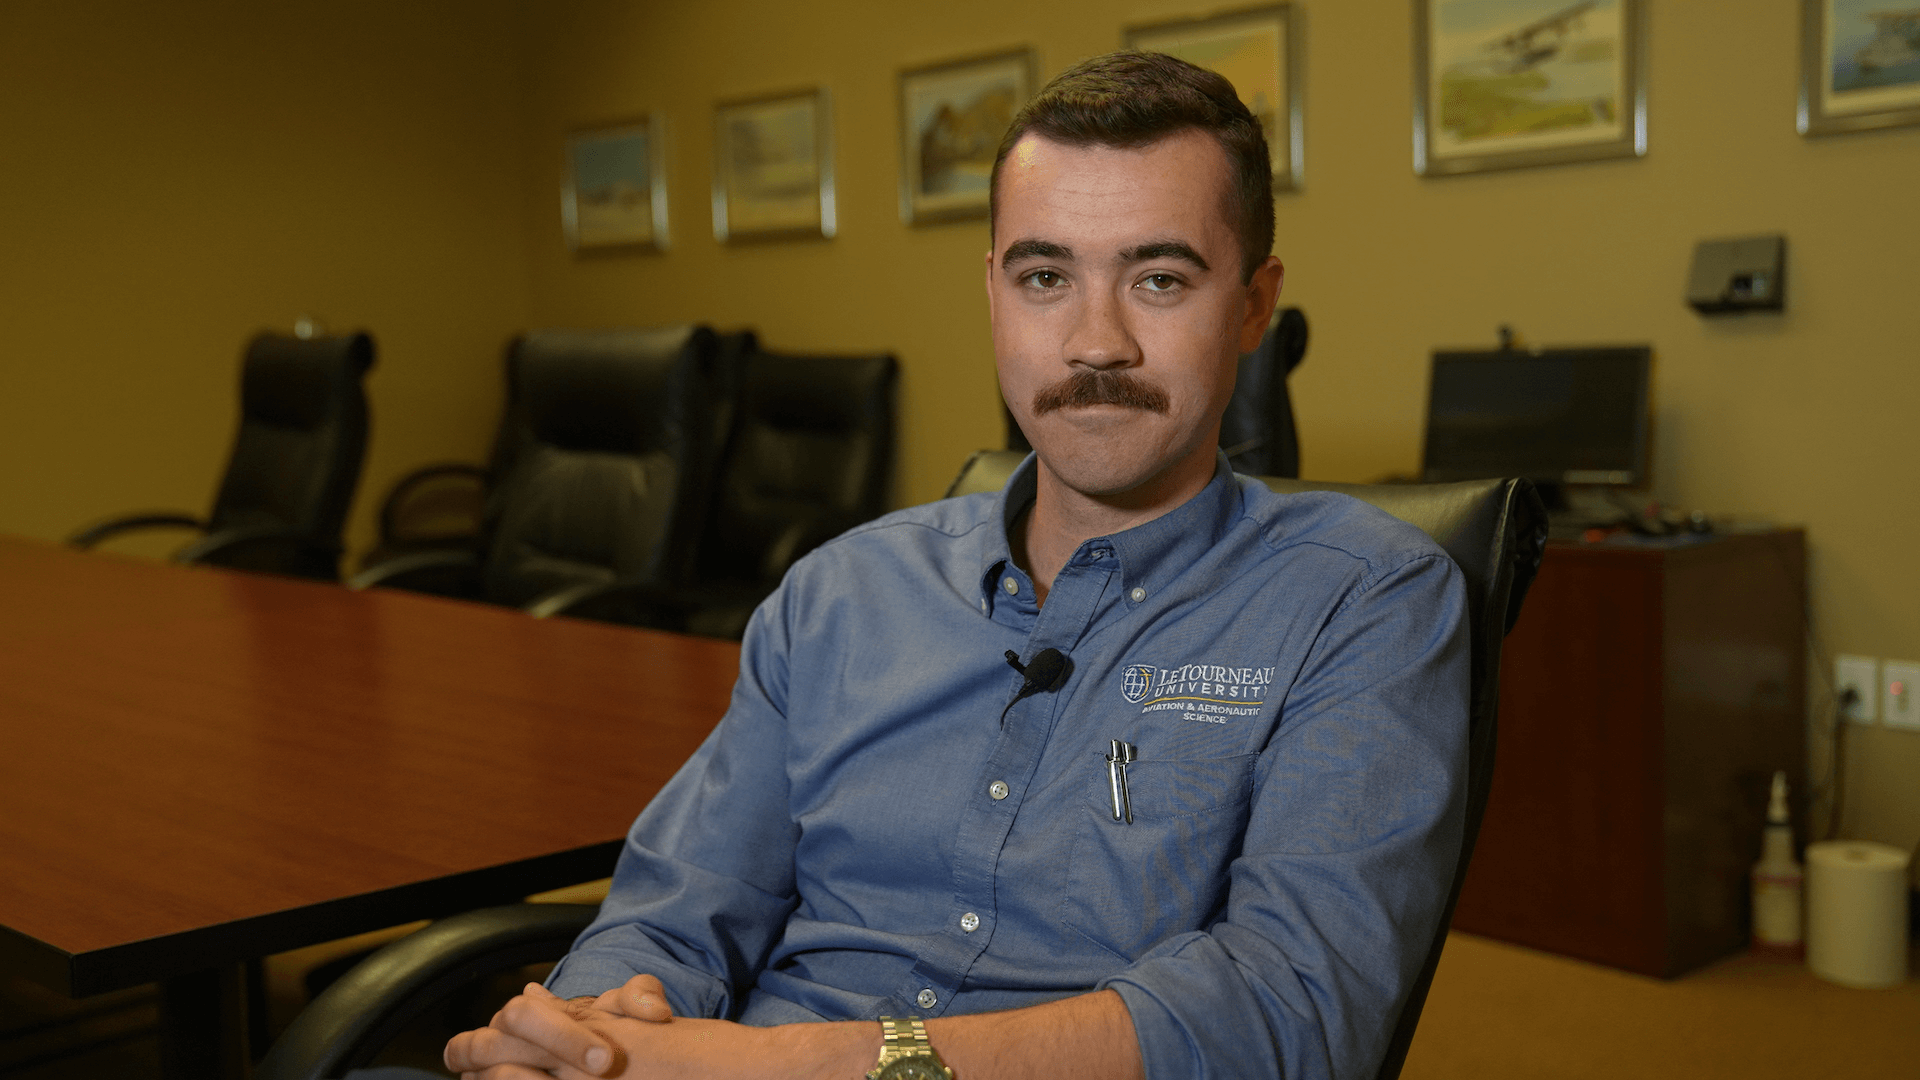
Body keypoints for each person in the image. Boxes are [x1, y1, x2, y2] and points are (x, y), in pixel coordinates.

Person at [438, 51, 1469, 1080]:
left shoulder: (1364, 597)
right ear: (993, 293)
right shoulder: (837, 595)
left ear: (1252, 305)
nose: (1093, 342)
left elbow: (1290, 1012)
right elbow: (670, 915)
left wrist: (793, 1067)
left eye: (1159, 278)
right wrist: (574, 1041)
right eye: (1045, 277)